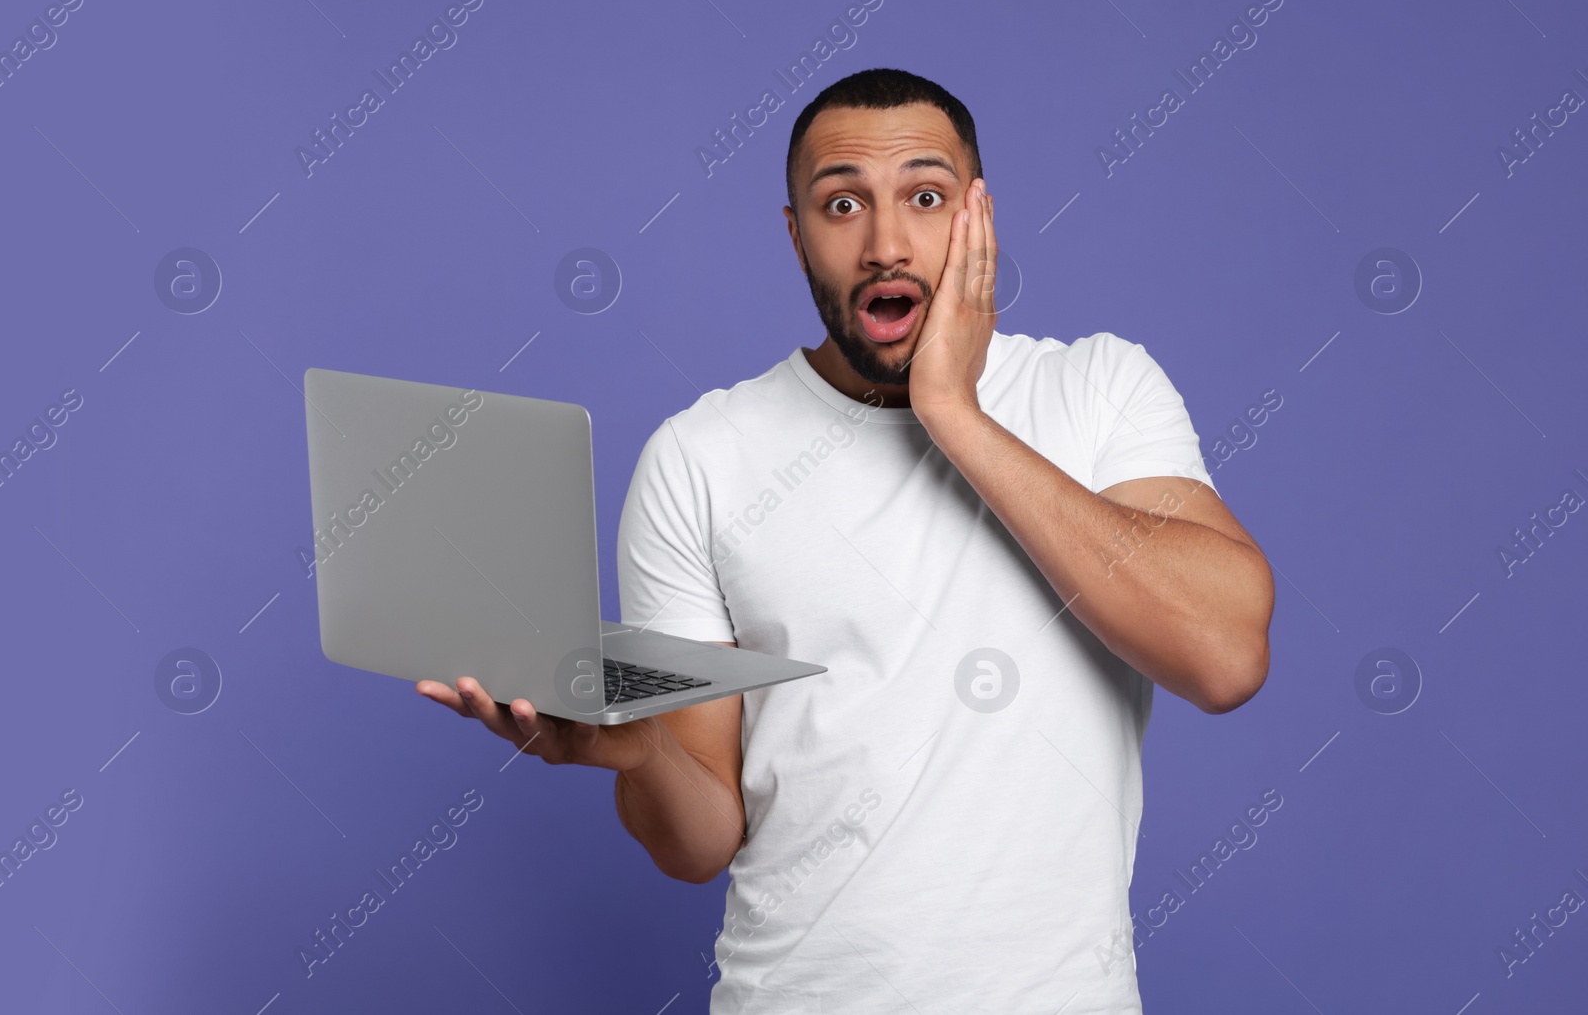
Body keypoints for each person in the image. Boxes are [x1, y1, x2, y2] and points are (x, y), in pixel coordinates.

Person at [418, 67, 1274, 1013]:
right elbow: (695, 841)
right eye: (842, 204)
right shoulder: (703, 455)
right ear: (795, 235)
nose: (887, 243)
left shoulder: (1102, 389)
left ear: (977, 212)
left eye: (925, 196)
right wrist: (636, 755)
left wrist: (954, 412)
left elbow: (1224, 656)